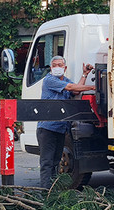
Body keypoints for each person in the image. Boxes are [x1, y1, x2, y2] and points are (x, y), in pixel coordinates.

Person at [37, 55, 95, 186]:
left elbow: (75, 90)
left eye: (60, 65)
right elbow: (71, 88)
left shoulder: (66, 80)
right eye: (54, 65)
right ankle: (45, 193)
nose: (57, 67)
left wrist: (85, 75)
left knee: (56, 161)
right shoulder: (49, 80)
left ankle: (53, 189)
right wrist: (92, 88)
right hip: (47, 128)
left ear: (65, 67)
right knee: (47, 162)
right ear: (51, 68)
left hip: (60, 128)